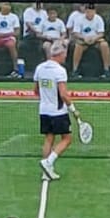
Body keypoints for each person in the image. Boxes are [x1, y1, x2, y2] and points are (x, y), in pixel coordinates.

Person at [35, 40, 73, 181]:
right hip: (58, 112)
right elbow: (63, 94)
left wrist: (46, 99)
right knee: (67, 139)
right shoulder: (60, 71)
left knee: (49, 138)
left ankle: (46, 172)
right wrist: (73, 109)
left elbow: (36, 90)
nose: (65, 57)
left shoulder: (39, 68)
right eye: (64, 54)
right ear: (60, 54)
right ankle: (48, 162)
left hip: (44, 110)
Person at [70, 5, 110, 79]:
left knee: (104, 45)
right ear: (85, 11)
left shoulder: (98, 18)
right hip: (83, 40)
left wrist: (94, 38)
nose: (90, 13)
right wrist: (84, 38)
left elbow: (101, 33)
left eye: (92, 11)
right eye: (88, 11)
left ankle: (106, 69)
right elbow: (76, 33)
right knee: (78, 46)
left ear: (94, 11)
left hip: (96, 40)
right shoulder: (79, 19)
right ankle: (75, 70)